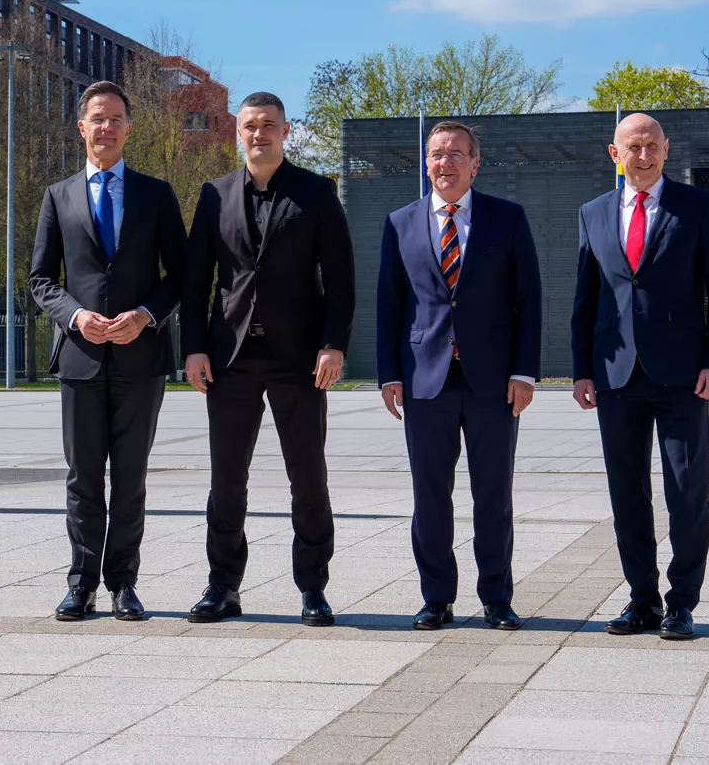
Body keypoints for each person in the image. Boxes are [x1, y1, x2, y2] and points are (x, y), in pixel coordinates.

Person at [180, 91, 355, 626]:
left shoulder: (316, 193)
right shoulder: (213, 195)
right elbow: (195, 283)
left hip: (299, 359)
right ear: (239, 133)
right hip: (229, 359)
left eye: (270, 126)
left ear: (285, 131)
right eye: (251, 126)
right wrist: (193, 348)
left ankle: (313, 590)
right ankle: (222, 587)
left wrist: (334, 344)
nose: (260, 134)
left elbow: (342, 280)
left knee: (308, 477)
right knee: (227, 479)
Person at [570, 112, 709, 640]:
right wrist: (580, 370)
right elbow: (586, 299)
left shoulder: (697, 205)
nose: (643, 156)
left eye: (652, 147)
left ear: (667, 150)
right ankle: (641, 600)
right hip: (615, 376)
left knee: (687, 491)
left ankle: (681, 602)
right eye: (632, 147)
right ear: (613, 153)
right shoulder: (592, 213)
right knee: (627, 493)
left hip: (684, 376)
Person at [29, 80, 187, 622]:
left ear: (128, 127)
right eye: (98, 118)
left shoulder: (157, 193)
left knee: (131, 477)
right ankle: (81, 583)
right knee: (82, 476)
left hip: (142, 360)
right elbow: (40, 279)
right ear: (82, 127)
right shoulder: (58, 195)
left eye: (116, 118)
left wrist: (145, 316)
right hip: (80, 357)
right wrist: (76, 316)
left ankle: (124, 583)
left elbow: (183, 275)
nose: (107, 127)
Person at [376, 120, 542, 631]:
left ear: (475, 163)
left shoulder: (507, 218)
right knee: (430, 495)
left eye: (455, 154)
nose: (444, 163)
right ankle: (436, 598)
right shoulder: (400, 222)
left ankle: (496, 596)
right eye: (435, 154)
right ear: (426, 163)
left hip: (493, 381)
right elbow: (389, 305)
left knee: (493, 492)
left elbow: (529, 302)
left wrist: (525, 372)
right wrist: (388, 375)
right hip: (425, 380)